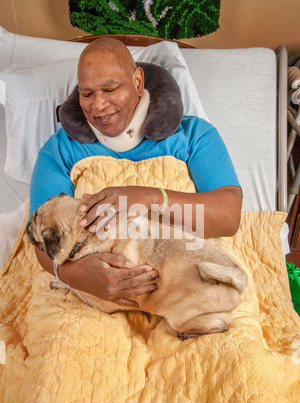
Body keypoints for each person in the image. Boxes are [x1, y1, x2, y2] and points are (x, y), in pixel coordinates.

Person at [30, 38, 242, 307]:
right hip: (94, 297)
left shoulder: (195, 136)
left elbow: (228, 217)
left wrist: (151, 199)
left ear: (138, 82)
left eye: (110, 89)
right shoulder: (59, 150)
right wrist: (75, 275)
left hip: (184, 284)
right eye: (87, 94)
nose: (98, 105)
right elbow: (40, 237)